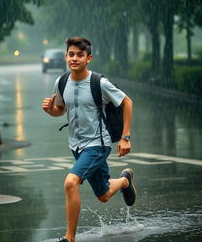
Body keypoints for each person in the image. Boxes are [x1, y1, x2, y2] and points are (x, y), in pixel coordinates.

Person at [42, 37, 136, 242]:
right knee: (103, 195)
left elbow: (127, 102)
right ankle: (125, 181)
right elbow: (61, 110)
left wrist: (125, 137)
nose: (74, 58)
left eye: (80, 55)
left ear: (89, 58)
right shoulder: (62, 81)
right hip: (76, 146)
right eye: (71, 54)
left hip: (98, 145)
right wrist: (51, 110)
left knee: (70, 182)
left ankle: (69, 238)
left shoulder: (99, 83)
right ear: (66, 56)